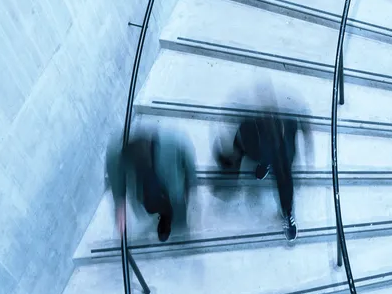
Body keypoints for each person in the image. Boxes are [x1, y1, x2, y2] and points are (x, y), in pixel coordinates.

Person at [214, 89, 313, 241]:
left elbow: (304, 130)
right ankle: (265, 164)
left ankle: (287, 213)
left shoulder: (287, 129)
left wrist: (307, 155)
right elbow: (238, 147)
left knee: (283, 178)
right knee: (262, 154)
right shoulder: (248, 128)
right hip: (264, 149)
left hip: (281, 155)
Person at [106, 125, 197, 242]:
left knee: (178, 205)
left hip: (173, 185)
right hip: (145, 185)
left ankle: (180, 224)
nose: (138, 154)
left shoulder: (171, 140)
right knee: (151, 204)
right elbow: (115, 175)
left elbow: (187, 155)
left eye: (141, 148)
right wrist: (119, 205)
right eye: (133, 152)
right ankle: (166, 216)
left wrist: (192, 185)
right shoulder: (118, 155)